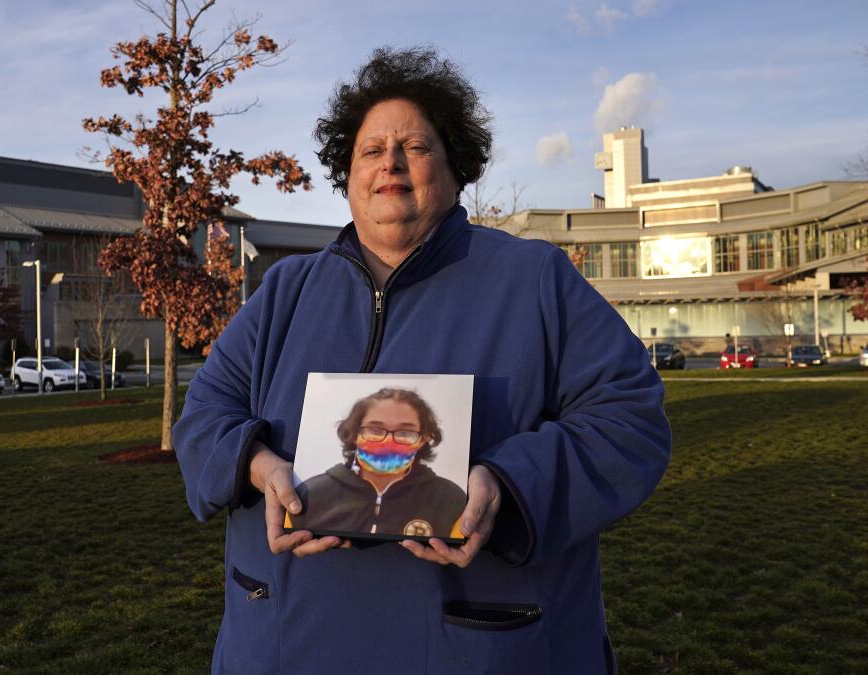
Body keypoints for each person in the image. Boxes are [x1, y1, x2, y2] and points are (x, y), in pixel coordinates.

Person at [174, 46, 671, 674]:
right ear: (347, 173)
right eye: (371, 150)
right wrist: (255, 463)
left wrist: (510, 483)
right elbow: (203, 415)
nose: (391, 163)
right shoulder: (286, 290)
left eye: (416, 146)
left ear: (455, 167)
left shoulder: (533, 280)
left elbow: (631, 421)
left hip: (481, 647)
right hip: (284, 643)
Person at [287, 387, 467, 540]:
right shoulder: (309, 493)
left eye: (405, 432)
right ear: (354, 434)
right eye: (375, 429)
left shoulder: (451, 500)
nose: (388, 441)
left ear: (423, 439)